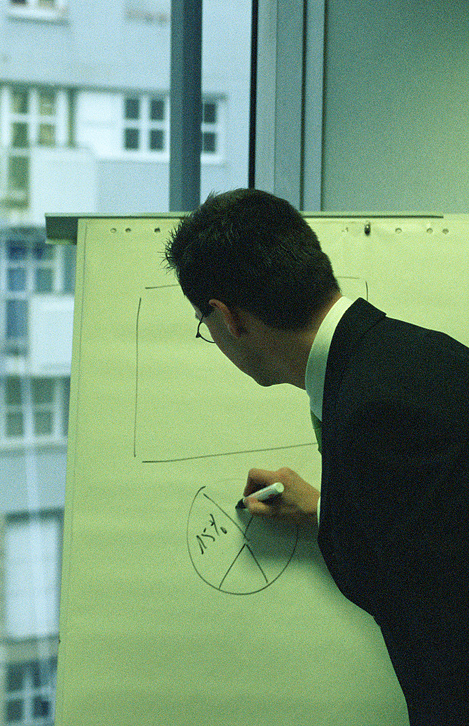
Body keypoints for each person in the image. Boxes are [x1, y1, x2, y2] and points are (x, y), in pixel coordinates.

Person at [163, 188, 469, 725]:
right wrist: (325, 510)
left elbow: (430, 612)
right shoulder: (417, 352)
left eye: (204, 326)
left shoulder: (374, 409)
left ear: (226, 317)